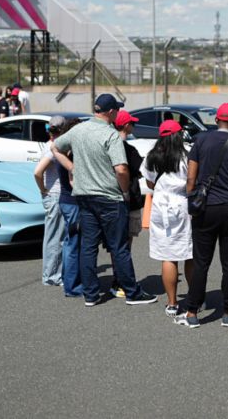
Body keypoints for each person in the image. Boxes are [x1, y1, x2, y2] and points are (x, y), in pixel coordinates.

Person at [52, 94, 157, 307]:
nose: (117, 113)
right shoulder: (110, 135)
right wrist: (125, 191)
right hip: (109, 197)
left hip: (84, 196)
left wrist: (72, 168)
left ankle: (90, 294)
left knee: (88, 246)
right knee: (119, 247)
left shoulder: (78, 130)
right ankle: (132, 292)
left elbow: (55, 147)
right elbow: (121, 169)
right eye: (116, 110)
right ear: (110, 112)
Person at [175, 103, 228, 329]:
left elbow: (191, 179)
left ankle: (192, 312)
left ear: (217, 120)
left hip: (206, 207)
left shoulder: (200, 141)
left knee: (201, 262)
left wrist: (192, 203)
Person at [143, 119, 194, 316]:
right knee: (189, 253)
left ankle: (172, 303)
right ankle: (194, 298)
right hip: (181, 203)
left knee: (168, 255)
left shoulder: (152, 155)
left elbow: (150, 183)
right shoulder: (187, 155)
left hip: (160, 205)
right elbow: (192, 181)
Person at [110, 110, 145, 298]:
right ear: (125, 125)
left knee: (116, 244)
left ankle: (119, 280)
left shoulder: (107, 145)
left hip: (109, 199)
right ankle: (120, 282)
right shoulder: (128, 150)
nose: (133, 126)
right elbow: (139, 170)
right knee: (124, 245)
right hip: (127, 199)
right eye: (132, 123)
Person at [34, 116, 67, 287]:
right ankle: (51, 275)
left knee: (56, 236)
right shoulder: (52, 148)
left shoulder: (51, 145)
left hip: (53, 195)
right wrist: (44, 190)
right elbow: (37, 172)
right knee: (55, 237)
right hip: (54, 196)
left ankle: (54, 272)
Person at [53, 118, 83, 298]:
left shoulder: (63, 151)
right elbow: (73, 180)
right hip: (73, 202)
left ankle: (69, 281)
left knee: (69, 242)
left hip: (66, 201)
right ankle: (73, 286)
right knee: (74, 244)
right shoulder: (69, 154)